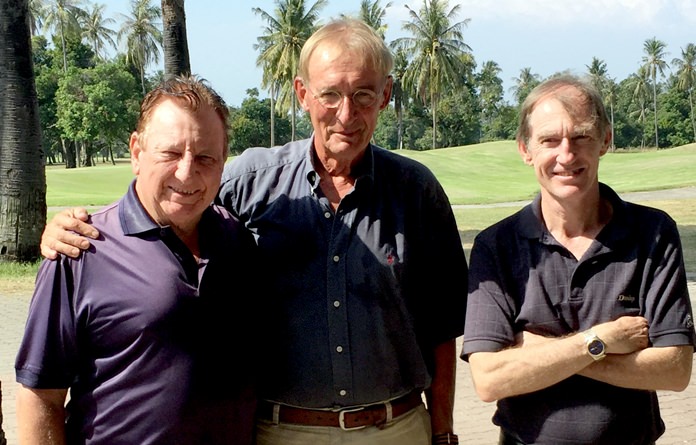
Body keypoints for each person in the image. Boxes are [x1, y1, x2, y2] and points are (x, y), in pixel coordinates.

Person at [39, 18, 468, 445]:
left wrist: (444, 430)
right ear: (303, 94)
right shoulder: (251, 181)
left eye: (363, 95)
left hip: (395, 428)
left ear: (386, 95)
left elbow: (441, 328)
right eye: (330, 95)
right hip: (280, 431)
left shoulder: (417, 191)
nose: (346, 114)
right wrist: (77, 228)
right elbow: (173, 197)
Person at [17, 75, 260, 445]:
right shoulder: (81, 250)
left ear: (224, 161)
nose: (187, 172)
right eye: (171, 153)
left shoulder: (237, 240)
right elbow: (40, 394)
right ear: (136, 152)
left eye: (206, 157)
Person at [461, 74, 696, 445]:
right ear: (526, 149)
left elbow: (674, 370)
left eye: (581, 137)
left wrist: (541, 353)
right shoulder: (496, 245)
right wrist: (599, 340)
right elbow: (490, 380)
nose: (566, 155)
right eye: (550, 140)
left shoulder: (652, 232)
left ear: (606, 140)